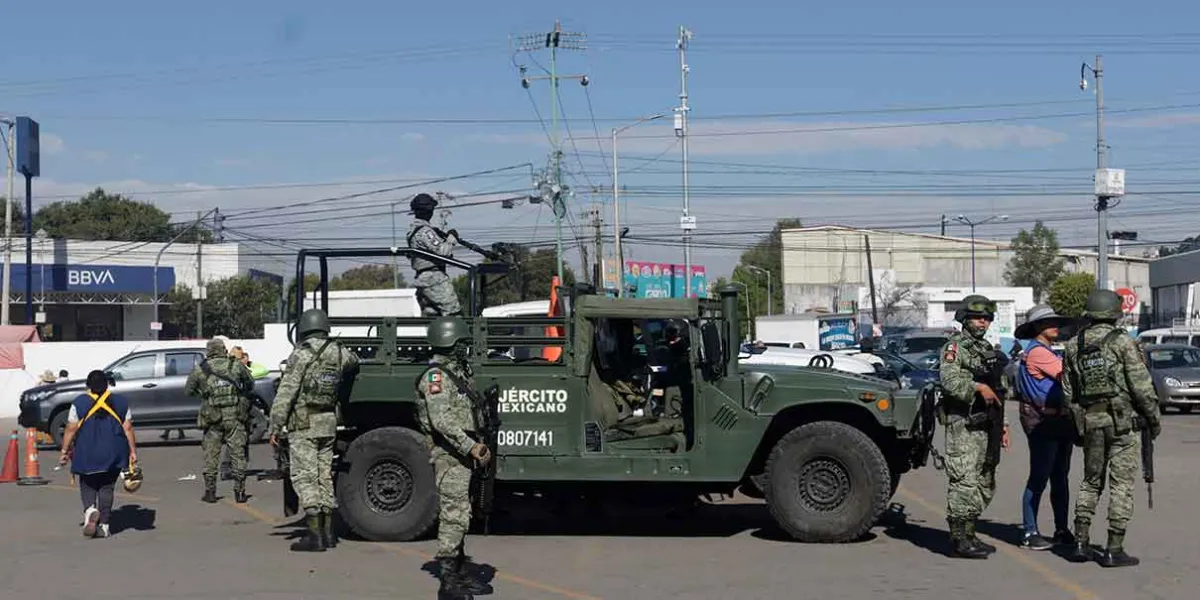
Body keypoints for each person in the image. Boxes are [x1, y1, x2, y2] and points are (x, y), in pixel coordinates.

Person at [1061, 289, 1161, 567]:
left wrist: (1079, 424)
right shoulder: (1123, 342)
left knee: (1090, 481)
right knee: (1121, 485)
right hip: (1122, 425)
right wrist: (1154, 420)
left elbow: (1068, 394)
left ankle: (1080, 541)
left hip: (1091, 423)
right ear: (1115, 314)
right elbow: (1141, 387)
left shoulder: (1073, 345)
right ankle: (1113, 548)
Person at [269, 308, 360, 552]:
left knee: (305, 476)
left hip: (304, 423)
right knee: (323, 476)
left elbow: (286, 391)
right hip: (328, 422)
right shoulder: (339, 352)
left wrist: (275, 425)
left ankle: (314, 536)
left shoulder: (301, 354)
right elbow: (354, 362)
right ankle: (329, 533)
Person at [416, 316, 492, 595]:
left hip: (463, 453)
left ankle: (459, 573)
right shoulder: (436, 376)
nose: (465, 347)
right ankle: (448, 583)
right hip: (450, 454)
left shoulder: (458, 372)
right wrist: (469, 446)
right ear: (447, 342)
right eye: (461, 343)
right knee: (453, 515)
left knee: (463, 513)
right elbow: (441, 422)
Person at [938, 294, 1011, 559]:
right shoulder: (954, 348)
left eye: (987, 318)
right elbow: (949, 380)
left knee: (985, 480)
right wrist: (977, 387)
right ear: (965, 319)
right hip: (964, 424)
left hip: (987, 424)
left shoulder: (987, 350)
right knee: (964, 481)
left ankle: (970, 531)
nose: (983, 322)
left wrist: (1004, 425)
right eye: (978, 317)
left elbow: (1000, 390)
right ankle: (959, 538)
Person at [1012, 305, 1075, 551]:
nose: (1055, 326)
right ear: (1038, 328)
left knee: (1060, 477)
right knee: (1039, 477)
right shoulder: (1038, 353)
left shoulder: (1046, 351)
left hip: (1058, 420)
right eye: (1049, 323)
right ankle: (1029, 532)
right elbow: (1067, 375)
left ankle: (1061, 529)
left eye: (1056, 322)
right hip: (1042, 422)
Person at [57, 370, 138, 539]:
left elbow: (71, 429)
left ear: (88, 385)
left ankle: (90, 509)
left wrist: (64, 451)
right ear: (107, 384)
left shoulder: (79, 403)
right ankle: (105, 525)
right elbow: (128, 428)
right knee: (107, 487)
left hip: (87, 451)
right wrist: (132, 451)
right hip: (114, 452)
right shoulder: (121, 402)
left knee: (88, 484)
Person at [186, 339, 255, 504]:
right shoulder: (235, 365)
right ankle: (240, 492)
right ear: (224, 350)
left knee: (211, 455)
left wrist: (205, 395)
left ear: (208, 351)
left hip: (212, 417)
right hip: (235, 416)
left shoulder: (200, 369)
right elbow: (250, 383)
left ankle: (210, 492)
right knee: (238, 454)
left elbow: (188, 391)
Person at [407, 192, 462, 316]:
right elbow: (443, 251)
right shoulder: (425, 231)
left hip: (424, 278)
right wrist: (452, 238)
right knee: (454, 314)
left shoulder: (413, 230)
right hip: (434, 278)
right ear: (428, 211)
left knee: (434, 316)